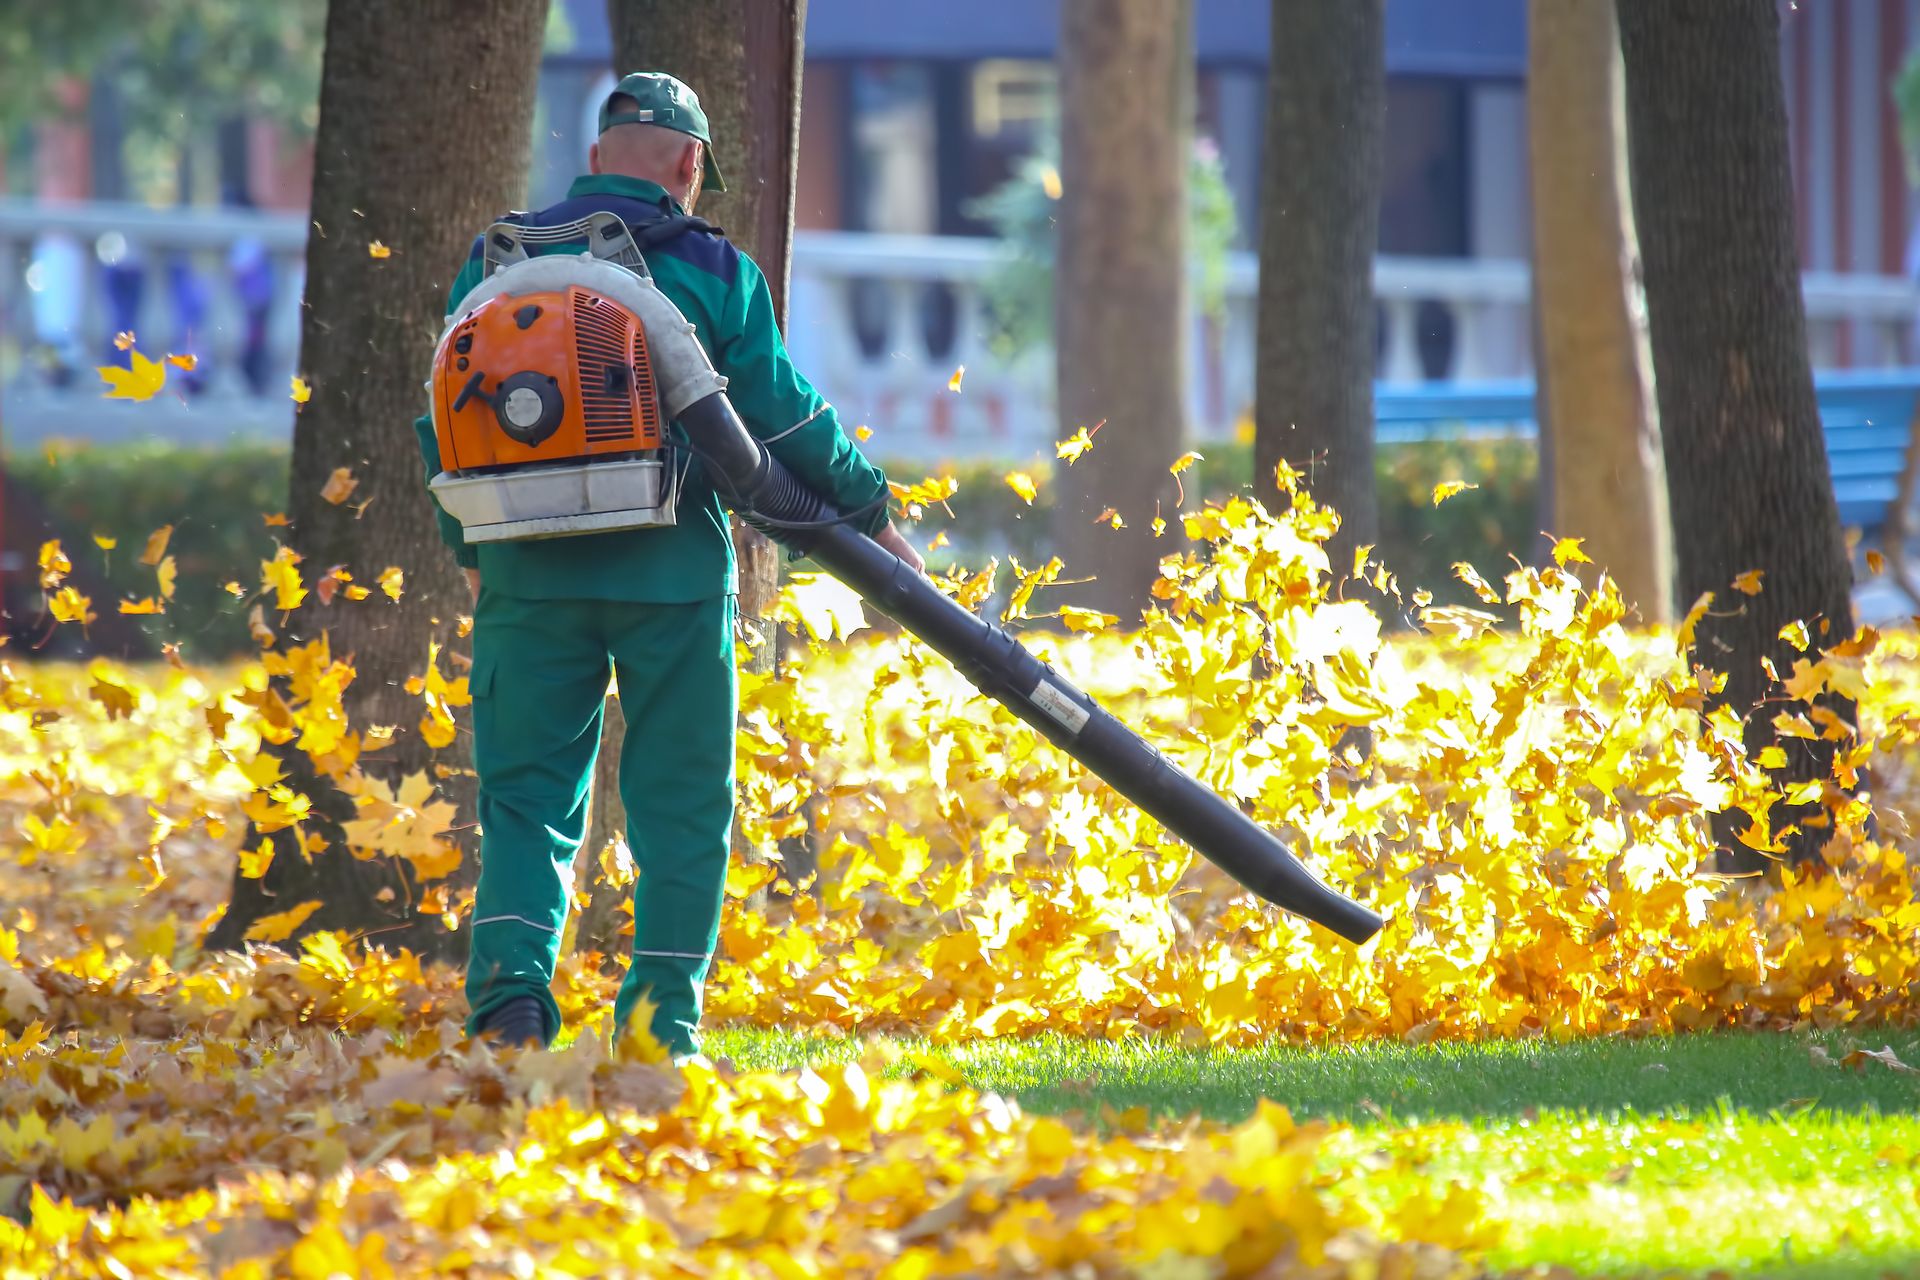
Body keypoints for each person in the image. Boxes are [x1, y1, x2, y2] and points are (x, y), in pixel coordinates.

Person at [415, 72, 923, 1059]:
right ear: (691, 167)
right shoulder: (713, 267)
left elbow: (444, 412)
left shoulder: (494, 256)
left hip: (525, 574)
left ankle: (512, 1008)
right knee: (681, 805)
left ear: (598, 155)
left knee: (525, 798)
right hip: (674, 577)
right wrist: (872, 518)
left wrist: (467, 552)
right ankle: (657, 1029)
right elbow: (778, 413)